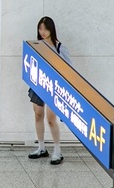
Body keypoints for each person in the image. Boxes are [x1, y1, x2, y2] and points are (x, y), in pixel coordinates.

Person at [28, 16, 69, 166]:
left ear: (51, 30)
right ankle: (41, 147)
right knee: (38, 115)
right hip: (38, 85)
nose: (43, 32)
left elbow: (68, 70)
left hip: (54, 87)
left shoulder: (59, 48)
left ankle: (57, 150)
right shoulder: (36, 46)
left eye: (45, 28)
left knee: (51, 119)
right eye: (40, 28)